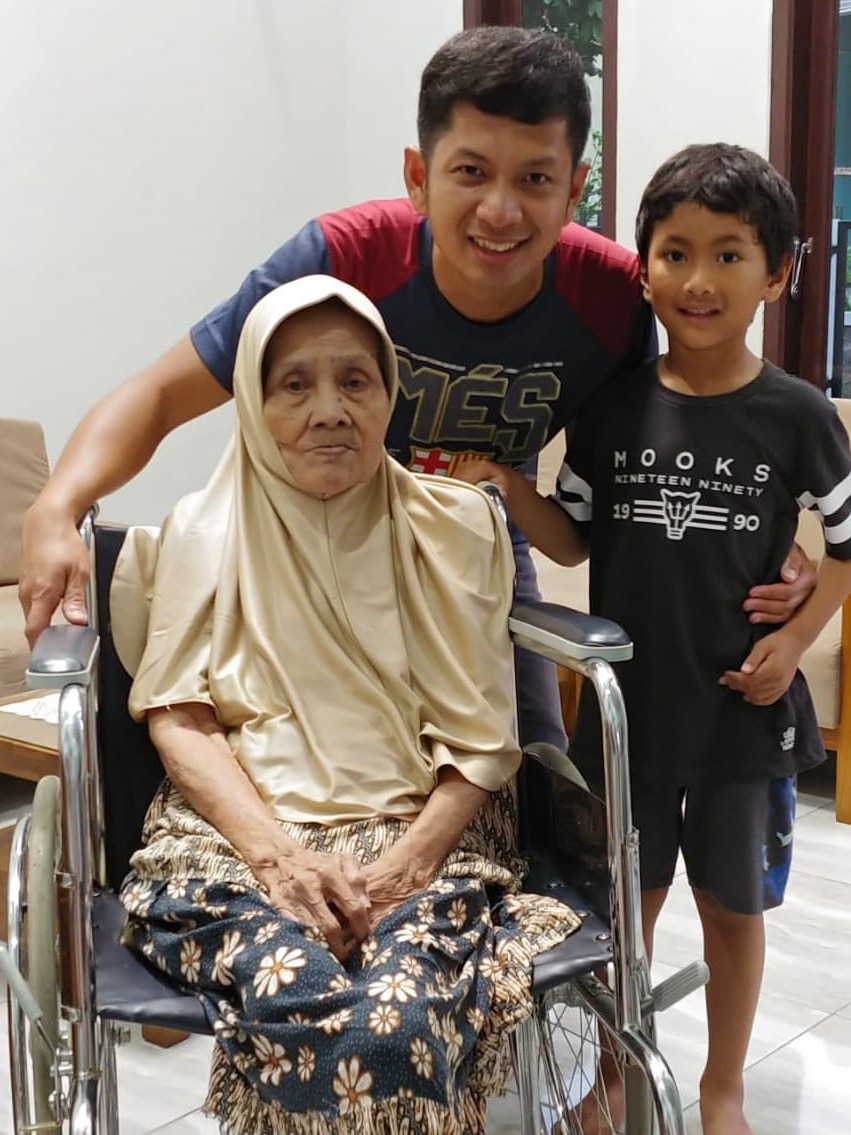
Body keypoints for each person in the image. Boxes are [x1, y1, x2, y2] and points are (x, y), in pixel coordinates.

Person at [20, 27, 812, 752]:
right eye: (469, 172)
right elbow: (160, 395)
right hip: (304, 555)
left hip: (480, 560)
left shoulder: (610, 296)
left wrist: (769, 553)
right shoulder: (339, 259)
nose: (499, 211)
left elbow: (677, 442)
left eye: (534, 178)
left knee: (537, 778)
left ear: (573, 192)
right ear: (416, 176)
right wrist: (56, 505)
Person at [114, 274, 579, 1135]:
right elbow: (180, 715)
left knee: (395, 1024)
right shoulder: (198, 531)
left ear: (387, 396)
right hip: (235, 846)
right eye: (294, 383)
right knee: (297, 995)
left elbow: (480, 737)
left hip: (425, 832)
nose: (329, 409)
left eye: (354, 381)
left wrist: (405, 865)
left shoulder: (452, 529)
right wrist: (278, 860)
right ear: (253, 403)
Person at [454, 143, 851, 1135]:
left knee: (730, 910)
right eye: (674, 252)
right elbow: (575, 533)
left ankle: (719, 1085)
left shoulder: (797, 416)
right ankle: (614, 1075)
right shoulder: (611, 407)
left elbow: (845, 547)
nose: (698, 278)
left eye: (728, 254)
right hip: (626, 721)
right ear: (643, 270)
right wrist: (512, 491)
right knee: (621, 913)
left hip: (739, 719)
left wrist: (795, 631)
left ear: (777, 272)